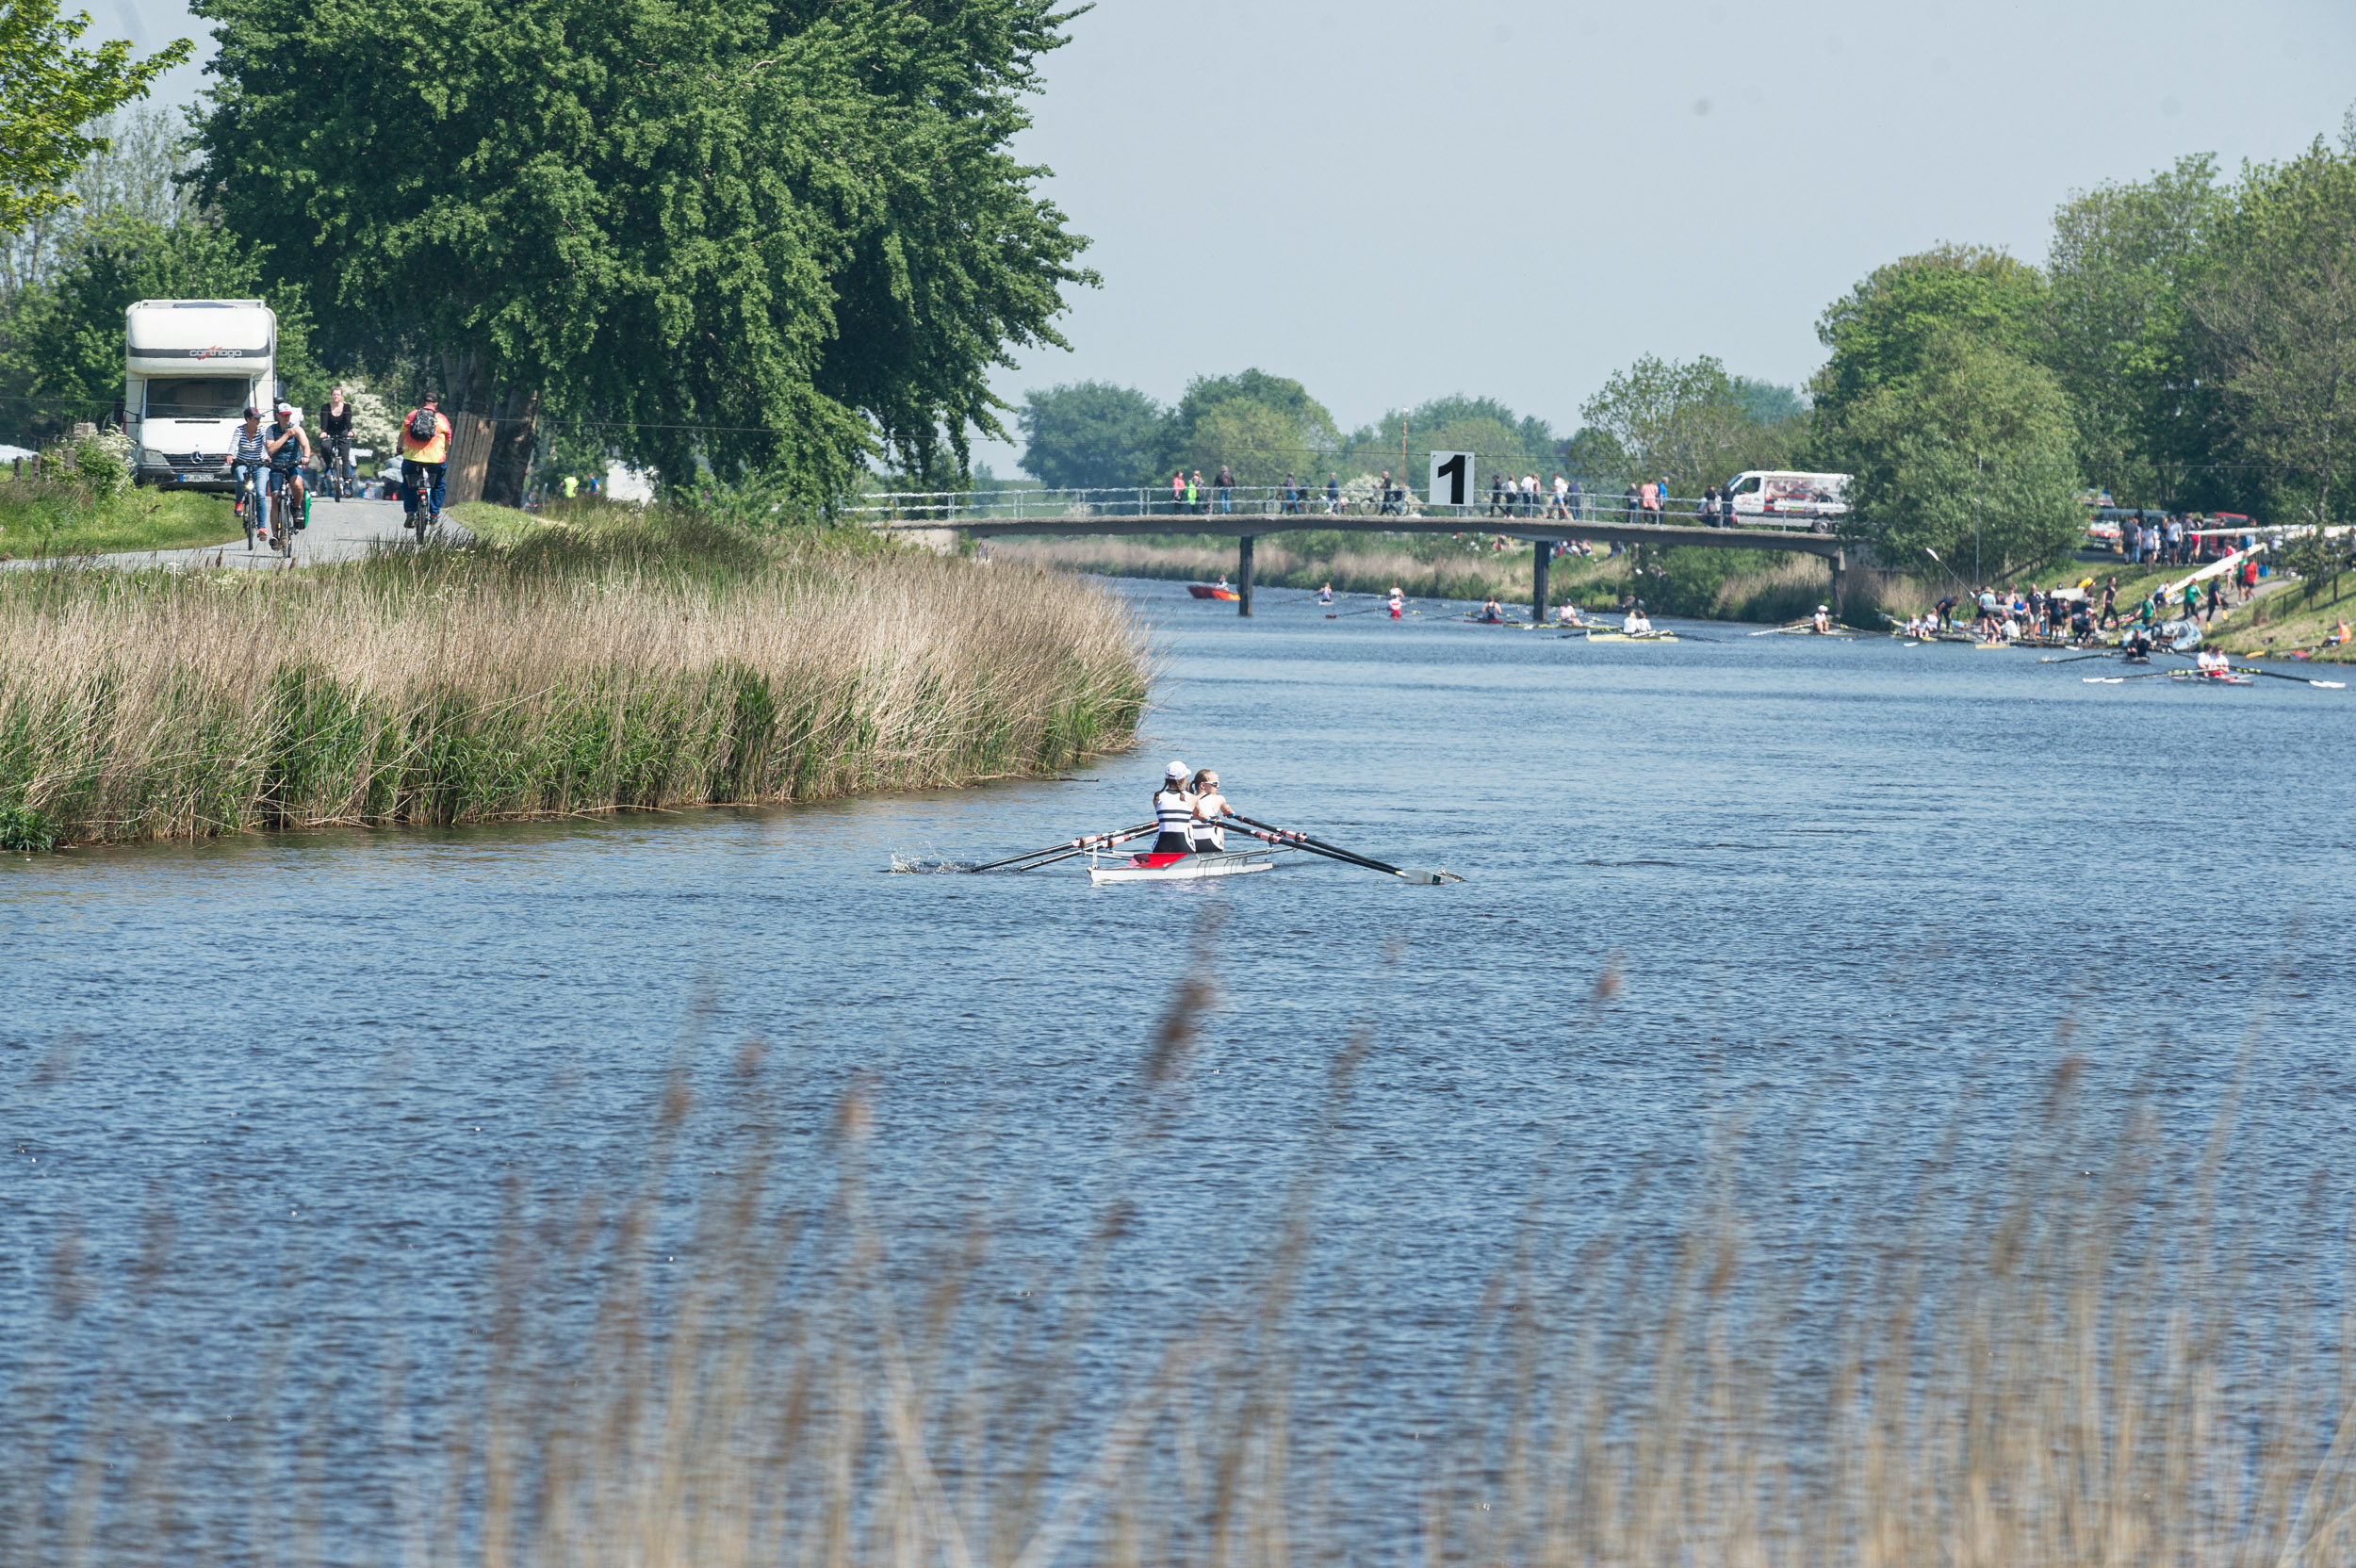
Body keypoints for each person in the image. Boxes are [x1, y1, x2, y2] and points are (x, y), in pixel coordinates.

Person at [399, 392, 453, 529]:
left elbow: (402, 433)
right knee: (438, 484)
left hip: (412, 457)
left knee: (407, 483)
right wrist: (444, 451)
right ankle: (434, 515)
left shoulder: (412, 415)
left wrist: (399, 448)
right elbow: (448, 440)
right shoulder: (441, 418)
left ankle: (411, 512)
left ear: (423, 403)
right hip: (435, 459)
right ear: (436, 405)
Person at [262, 400, 312, 541]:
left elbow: (305, 445)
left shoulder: (297, 429)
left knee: (297, 484)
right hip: (277, 466)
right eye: (284, 415)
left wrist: (306, 456)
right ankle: (275, 536)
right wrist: (285, 436)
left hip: (293, 464)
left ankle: (296, 507)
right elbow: (271, 449)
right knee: (275, 499)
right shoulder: (271, 430)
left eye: (288, 415)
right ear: (277, 415)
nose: (286, 417)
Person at [230, 405, 270, 547]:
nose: (258, 421)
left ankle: (262, 528)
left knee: (260, 494)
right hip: (242, 462)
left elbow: (267, 444)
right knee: (241, 479)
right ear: (248, 419)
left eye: (259, 419)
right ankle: (239, 503)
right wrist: (230, 455)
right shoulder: (240, 430)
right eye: (256, 419)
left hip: (260, 463)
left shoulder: (262, 430)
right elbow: (234, 444)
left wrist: (270, 455)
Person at [1150, 762, 1197, 855]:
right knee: (1188, 824)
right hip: (1184, 847)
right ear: (1184, 778)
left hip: (1160, 847)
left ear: (1166, 779)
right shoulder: (1192, 798)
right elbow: (1198, 816)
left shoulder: (1157, 798)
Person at [319, 386, 353, 500]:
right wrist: (323, 431)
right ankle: (329, 466)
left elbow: (348, 420)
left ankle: (347, 483)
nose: (336, 397)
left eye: (338, 395)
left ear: (341, 396)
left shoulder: (346, 407)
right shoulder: (325, 407)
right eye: (334, 395)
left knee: (345, 457)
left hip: (343, 432)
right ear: (331, 396)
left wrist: (350, 430)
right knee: (325, 446)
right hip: (329, 431)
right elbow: (324, 421)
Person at [1187, 769, 1232, 852]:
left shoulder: (1188, 799)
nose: (1218, 786)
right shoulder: (1219, 799)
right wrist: (1229, 813)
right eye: (1215, 784)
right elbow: (1229, 811)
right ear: (1203, 785)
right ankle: (1221, 851)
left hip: (1191, 846)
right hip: (1211, 845)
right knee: (1218, 820)